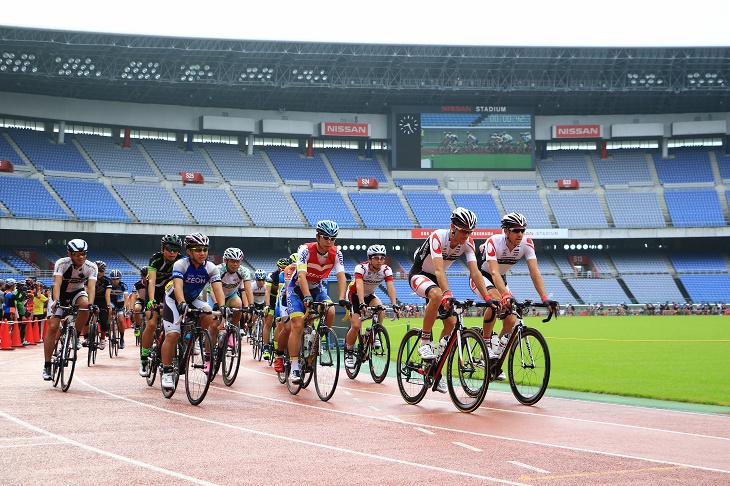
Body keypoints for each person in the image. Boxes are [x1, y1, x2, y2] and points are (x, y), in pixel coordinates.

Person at [408, 207, 494, 393]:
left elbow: (475, 272)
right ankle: (424, 343)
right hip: (420, 275)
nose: (466, 235)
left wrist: (487, 298)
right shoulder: (438, 237)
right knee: (438, 295)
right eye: (463, 230)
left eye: (470, 231)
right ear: (452, 227)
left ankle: (435, 370)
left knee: (451, 322)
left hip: (437, 281)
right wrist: (447, 292)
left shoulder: (468, 243)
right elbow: (438, 270)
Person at [471, 212, 558, 378]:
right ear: (506, 231)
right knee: (497, 300)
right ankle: (486, 345)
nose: (520, 234)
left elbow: (534, 271)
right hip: (482, 276)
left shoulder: (527, 243)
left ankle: (495, 356)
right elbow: (494, 273)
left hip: (500, 279)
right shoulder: (493, 242)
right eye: (516, 230)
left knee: (511, 319)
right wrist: (505, 295)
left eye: (522, 230)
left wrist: (544, 298)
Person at [278, 220, 349, 384]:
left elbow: (340, 276)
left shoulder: (336, 253)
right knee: (296, 325)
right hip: (297, 289)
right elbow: (301, 275)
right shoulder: (305, 250)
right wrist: (306, 296)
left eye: (333, 238)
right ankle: (294, 367)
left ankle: (314, 339)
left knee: (330, 311)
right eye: (325, 238)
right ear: (317, 236)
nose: (329, 241)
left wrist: (342, 298)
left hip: (317, 288)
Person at [160, 233, 225, 390]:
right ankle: (167, 371)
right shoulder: (180, 265)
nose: (202, 253)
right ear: (188, 251)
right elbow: (178, 287)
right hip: (173, 299)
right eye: (197, 249)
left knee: (209, 311)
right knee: (173, 335)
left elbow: (218, 289)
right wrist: (181, 303)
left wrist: (223, 308)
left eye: (205, 249)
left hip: (193, 299)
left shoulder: (211, 268)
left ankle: (193, 337)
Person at [42, 239, 98, 381]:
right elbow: (57, 283)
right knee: (53, 327)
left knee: (85, 304)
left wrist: (91, 304)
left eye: (84, 253)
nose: (81, 257)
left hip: (77, 293)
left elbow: (91, 287)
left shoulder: (91, 267)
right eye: (77, 254)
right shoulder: (62, 263)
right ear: (70, 254)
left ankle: (75, 336)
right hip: (59, 293)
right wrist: (55, 301)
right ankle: (47, 365)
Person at [344, 244, 400, 369]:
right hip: (354, 295)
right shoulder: (361, 268)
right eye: (376, 258)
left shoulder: (386, 270)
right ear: (370, 258)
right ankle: (348, 351)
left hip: (369, 295)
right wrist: (361, 302)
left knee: (381, 309)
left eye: (382, 258)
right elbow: (359, 286)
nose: (379, 260)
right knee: (356, 325)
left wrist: (395, 304)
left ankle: (373, 333)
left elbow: (390, 287)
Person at [139, 234, 183, 377]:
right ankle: (144, 359)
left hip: (170, 292)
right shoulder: (156, 259)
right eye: (169, 249)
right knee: (151, 323)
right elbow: (151, 281)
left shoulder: (181, 260)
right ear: (162, 248)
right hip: (156, 291)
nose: (172, 252)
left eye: (175, 250)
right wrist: (151, 300)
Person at [208, 247, 253, 345]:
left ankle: (231, 331)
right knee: (214, 325)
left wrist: (251, 305)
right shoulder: (218, 269)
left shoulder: (244, 271)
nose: (235, 264)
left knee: (238, 305)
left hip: (230, 295)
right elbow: (213, 289)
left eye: (238, 261)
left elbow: (248, 290)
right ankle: (208, 356)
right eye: (232, 261)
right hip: (215, 296)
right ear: (225, 260)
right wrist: (216, 304)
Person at [262, 256, 291, 361]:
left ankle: (277, 346)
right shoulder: (273, 276)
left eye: (285, 267)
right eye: (281, 267)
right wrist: (268, 305)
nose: (283, 269)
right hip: (272, 298)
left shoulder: (288, 275)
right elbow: (267, 291)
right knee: (268, 322)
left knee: (280, 324)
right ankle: (265, 348)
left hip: (282, 299)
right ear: (278, 267)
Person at [85, 260, 111, 349]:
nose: (99, 273)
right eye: (97, 271)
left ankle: (102, 339)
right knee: (86, 318)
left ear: (104, 272)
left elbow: (107, 294)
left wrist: (108, 305)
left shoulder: (107, 281)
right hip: (91, 299)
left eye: (101, 271)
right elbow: (85, 290)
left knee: (103, 321)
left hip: (102, 301)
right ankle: (86, 338)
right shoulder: (89, 279)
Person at [108, 269, 129, 349]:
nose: (115, 280)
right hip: (112, 302)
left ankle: (122, 339)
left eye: (117, 279)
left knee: (120, 320)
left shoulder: (123, 286)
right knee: (109, 312)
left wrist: (124, 306)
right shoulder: (109, 285)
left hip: (120, 304)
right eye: (113, 279)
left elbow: (126, 298)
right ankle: (108, 328)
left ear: (120, 279)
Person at [130, 267, 149, 338]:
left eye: (148, 275)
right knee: (137, 309)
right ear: (141, 275)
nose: (146, 277)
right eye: (144, 275)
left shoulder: (153, 283)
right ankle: (137, 326)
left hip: (150, 300)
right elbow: (133, 297)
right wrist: (131, 309)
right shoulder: (137, 285)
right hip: (141, 300)